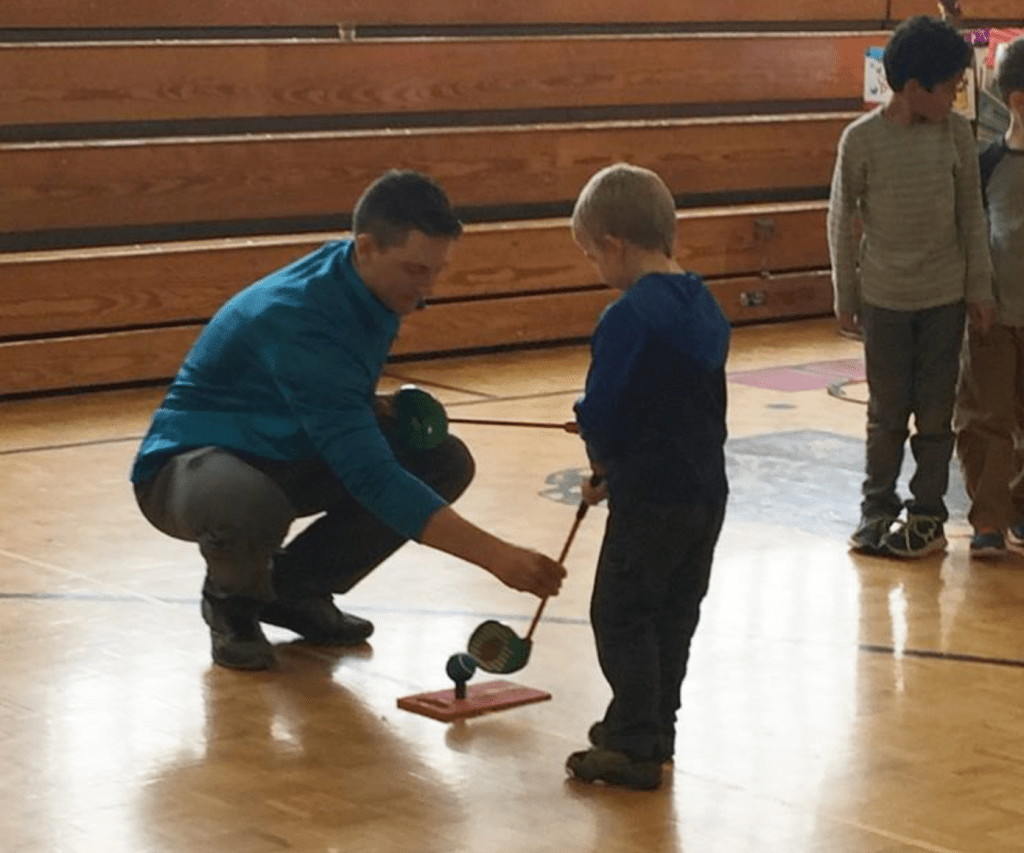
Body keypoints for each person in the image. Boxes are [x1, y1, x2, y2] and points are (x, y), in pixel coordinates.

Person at [131, 170, 566, 671]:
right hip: (187, 469)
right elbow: (371, 476)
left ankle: (293, 590)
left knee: (440, 461)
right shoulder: (301, 317)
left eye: (436, 271)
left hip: (279, 447)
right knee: (250, 503)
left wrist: (367, 402)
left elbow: (320, 392)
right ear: (365, 248)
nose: (426, 290)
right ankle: (232, 604)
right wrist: (497, 557)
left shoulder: (362, 283)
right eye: (414, 270)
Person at [563, 163, 730, 790]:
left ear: (615, 244)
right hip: (704, 492)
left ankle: (633, 745)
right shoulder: (703, 302)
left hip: (650, 496)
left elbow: (604, 408)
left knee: (622, 614)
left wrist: (602, 458)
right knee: (672, 615)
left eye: (591, 254)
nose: (596, 268)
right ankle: (656, 725)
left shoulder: (628, 316)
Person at [827, 15, 995, 559]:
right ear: (915, 88)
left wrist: (979, 289)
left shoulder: (956, 138)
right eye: (949, 88)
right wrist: (845, 295)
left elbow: (972, 215)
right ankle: (877, 507)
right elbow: (840, 219)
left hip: (943, 300)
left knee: (935, 413)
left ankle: (928, 514)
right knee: (885, 414)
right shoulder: (860, 141)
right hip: (884, 302)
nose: (955, 98)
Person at [954, 37, 1024, 557]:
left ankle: (1020, 509)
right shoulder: (990, 166)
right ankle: (989, 520)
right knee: (987, 419)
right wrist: (978, 297)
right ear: (1018, 101)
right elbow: (974, 238)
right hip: (995, 316)